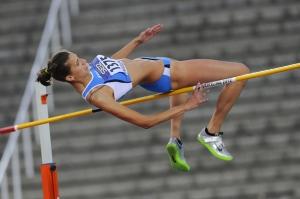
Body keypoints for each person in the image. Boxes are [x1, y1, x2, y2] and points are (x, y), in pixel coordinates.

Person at [37, 24, 249, 172]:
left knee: (196, 82)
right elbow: (144, 122)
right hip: (170, 73)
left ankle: (175, 138)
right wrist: (189, 105)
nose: (83, 61)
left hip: (159, 66)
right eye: (77, 63)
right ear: (71, 77)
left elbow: (113, 64)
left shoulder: (86, 74)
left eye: (78, 57)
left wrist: (137, 41)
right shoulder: (99, 96)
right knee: (241, 72)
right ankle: (211, 132)